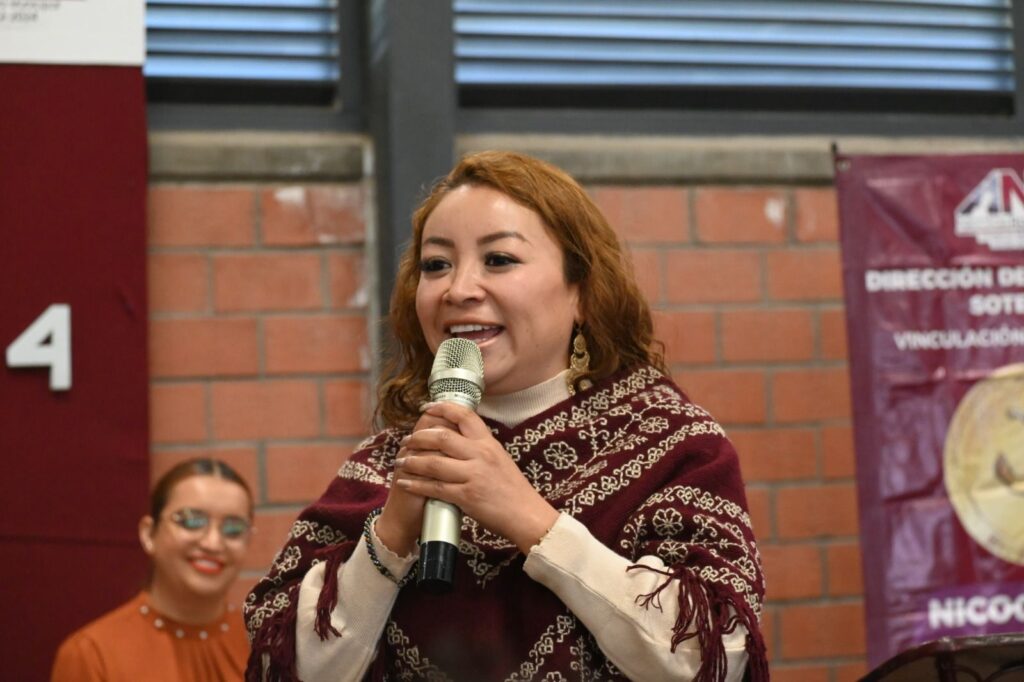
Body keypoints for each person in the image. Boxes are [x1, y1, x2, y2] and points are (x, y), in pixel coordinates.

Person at [244, 151, 768, 681]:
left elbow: (713, 659)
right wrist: (390, 536)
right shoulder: (386, 465)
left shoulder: (672, 445)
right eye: (436, 265)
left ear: (583, 292)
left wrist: (530, 520)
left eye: (498, 260)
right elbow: (281, 667)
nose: (458, 290)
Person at [52, 458, 254, 682]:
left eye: (233, 528)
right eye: (192, 521)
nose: (213, 543)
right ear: (149, 533)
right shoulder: (92, 654)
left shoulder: (265, 644)